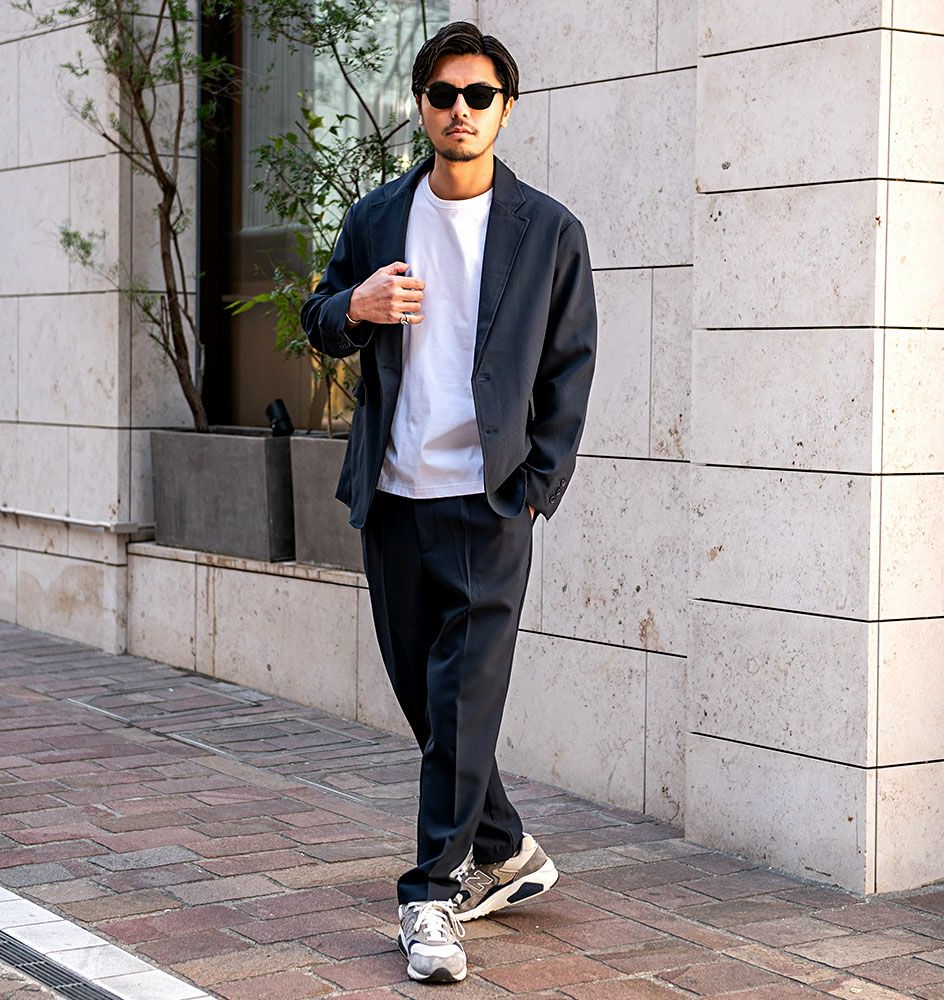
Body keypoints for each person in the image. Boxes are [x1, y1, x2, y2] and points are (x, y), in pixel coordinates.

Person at [301, 20, 598, 985]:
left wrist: (534, 488)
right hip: (393, 498)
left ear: (506, 108)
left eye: (479, 95)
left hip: (488, 503)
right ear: (421, 106)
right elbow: (319, 315)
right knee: (433, 705)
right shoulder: (378, 217)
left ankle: (430, 894)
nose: (460, 110)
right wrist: (355, 308)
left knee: (459, 700)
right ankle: (506, 849)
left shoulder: (547, 231)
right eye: (443, 94)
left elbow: (569, 366)